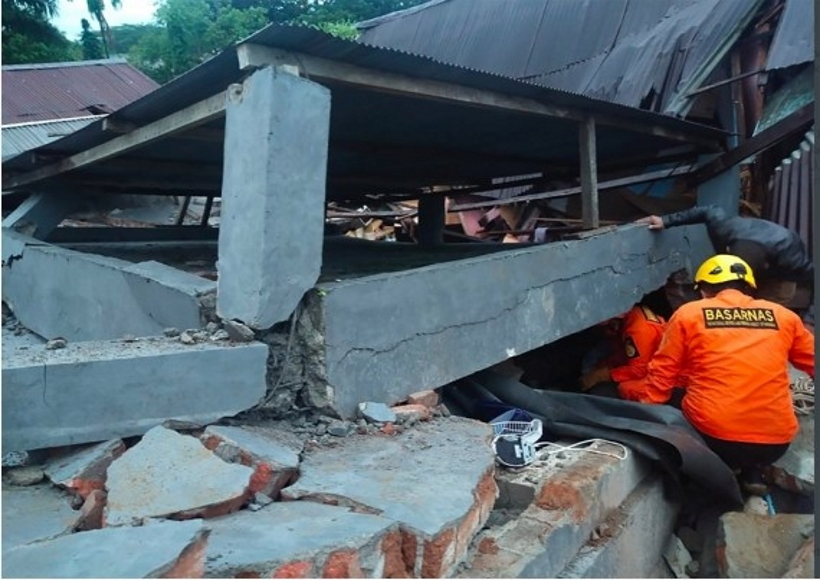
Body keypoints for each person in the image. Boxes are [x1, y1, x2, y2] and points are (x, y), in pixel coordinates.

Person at [639, 254, 815, 494]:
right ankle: (753, 472)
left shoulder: (689, 314)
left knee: (674, 397)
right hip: (775, 444)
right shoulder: (784, 317)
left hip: (717, 439)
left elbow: (663, 371)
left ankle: (706, 473)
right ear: (749, 288)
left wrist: (647, 415)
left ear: (703, 291)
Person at [636, 205, 813, 307]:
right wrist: (665, 221)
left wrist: (810, 320)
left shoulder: (791, 257)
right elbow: (707, 210)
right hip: (751, 253)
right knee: (729, 303)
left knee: (764, 316)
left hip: (776, 279)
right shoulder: (723, 228)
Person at [579, 291, 674, 402]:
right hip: (655, 363)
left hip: (668, 375)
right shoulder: (632, 316)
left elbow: (639, 369)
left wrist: (604, 375)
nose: (605, 331)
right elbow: (624, 353)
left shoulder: (639, 330)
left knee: (626, 388)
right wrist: (607, 365)